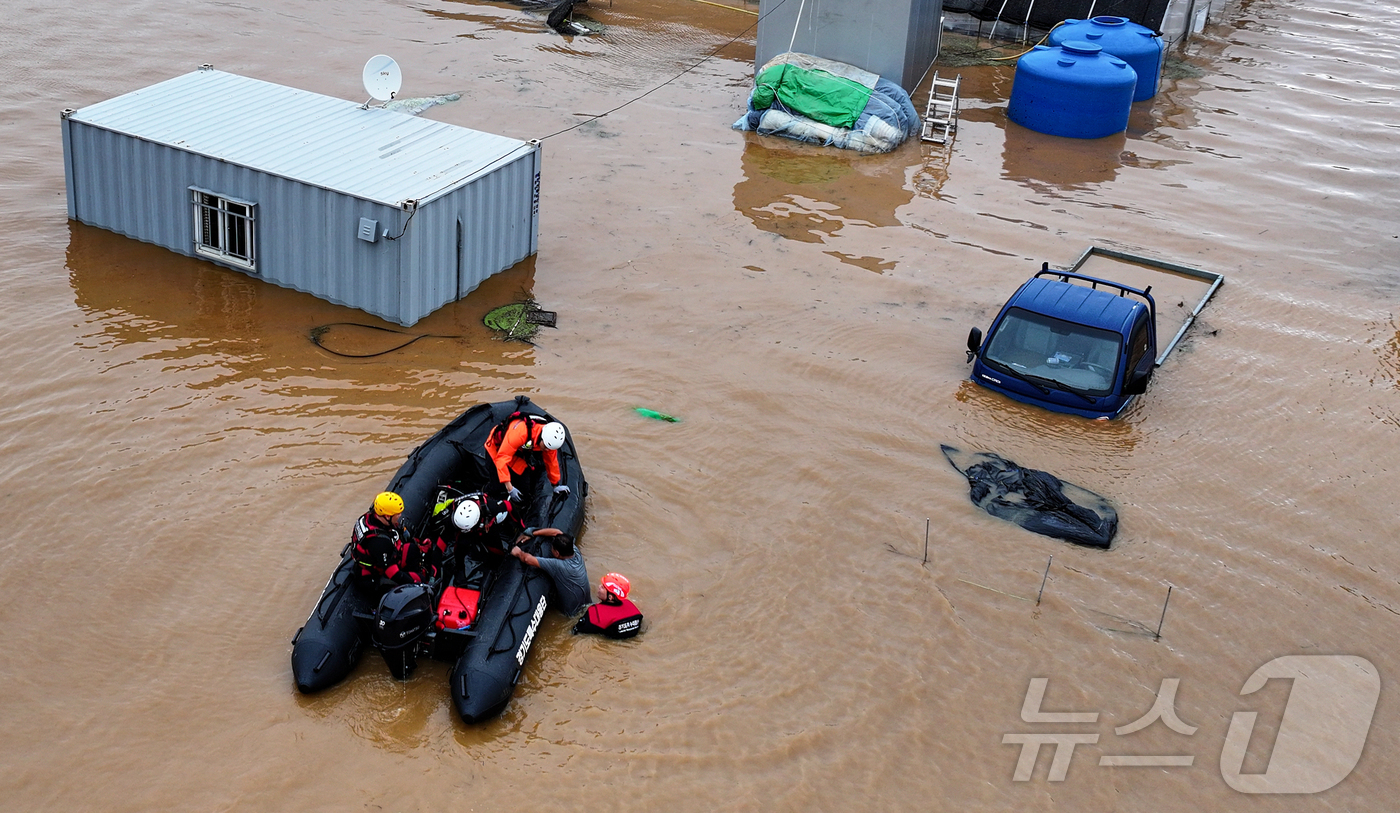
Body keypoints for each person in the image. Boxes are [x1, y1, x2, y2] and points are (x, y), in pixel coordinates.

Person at [351, 491, 434, 594]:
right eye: (397, 514)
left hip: (381, 558)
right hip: (373, 575)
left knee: (412, 549)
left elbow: (401, 533)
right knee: (420, 579)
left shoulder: (370, 517)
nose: (400, 516)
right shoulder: (379, 542)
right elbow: (393, 574)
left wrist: (418, 544)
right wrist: (417, 584)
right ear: (387, 516)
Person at [485, 412, 571, 504]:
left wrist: (555, 485)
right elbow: (502, 458)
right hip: (497, 449)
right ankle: (487, 494)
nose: (546, 450)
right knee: (497, 485)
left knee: (524, 488)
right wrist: (510, 488)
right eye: (545, 447)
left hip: (517, 453)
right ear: (542, 437)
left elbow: (551, 462)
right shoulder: (520, 433)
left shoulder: (549, 443)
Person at [510, 527, 590, 616]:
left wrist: (519, 552)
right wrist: (532, 533)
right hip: (587, 605)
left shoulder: (558, 566)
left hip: (571, 614)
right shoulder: (575, 551)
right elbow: (556, 532)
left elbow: (527, 559)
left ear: (556, 553)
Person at [574, 572, 644, 639]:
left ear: (610, 597)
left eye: (603, 587)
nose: (599, 587)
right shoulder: (632, 608)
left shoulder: (595, 613)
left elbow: (577, 630)